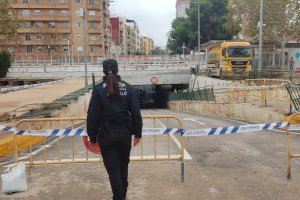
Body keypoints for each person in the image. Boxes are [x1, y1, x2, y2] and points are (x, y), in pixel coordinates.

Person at [87, 59, 143, 200]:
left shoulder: (98, 89)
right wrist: (138, 134)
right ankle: (121, 196)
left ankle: (118, 197)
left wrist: (92, 137)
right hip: (124, 135)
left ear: (104, 71)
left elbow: (92, 115)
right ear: (117, 70)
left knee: (113, 170)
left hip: (106, 135)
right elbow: (136, 113)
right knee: (123, 168)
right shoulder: (128, 88)